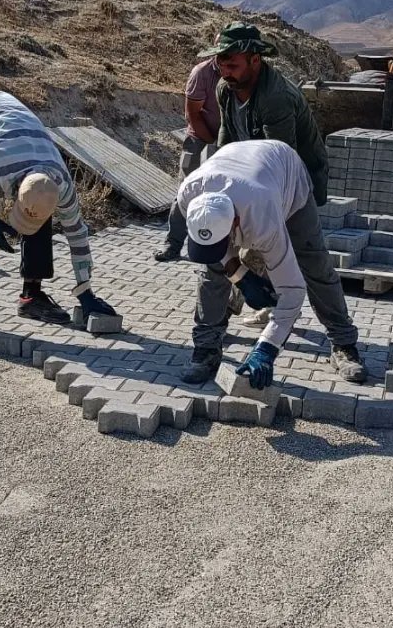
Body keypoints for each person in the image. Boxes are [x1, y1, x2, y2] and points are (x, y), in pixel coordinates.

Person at [176, 139, 368, 387]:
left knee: (313, 262)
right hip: (236, 163)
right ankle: (206, 347)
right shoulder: (188, 196)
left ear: (235, 223)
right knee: (212, 272)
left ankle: (344, 342)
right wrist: (240, 276)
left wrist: (266, 348)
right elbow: (216, 255)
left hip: (286, 173)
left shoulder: (263, 220)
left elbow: (292, 291)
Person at [0, 89, 118, 330]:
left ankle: (31, 297)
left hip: (13, 130)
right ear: (14, 189)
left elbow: (78, 235)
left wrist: (85, 290)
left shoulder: (60, 185)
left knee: (39, 209)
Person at [201, 21, 330, 207]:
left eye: (232, 66)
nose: (225, 73)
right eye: (221, 65)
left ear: (255, 60)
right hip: (255, 175)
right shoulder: (226, 88)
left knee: (285, 234)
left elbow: (281, 160)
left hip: (298, 184)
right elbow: (226, 136)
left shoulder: (276, 98)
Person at [155, 56, 219, 263]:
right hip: (199, 140)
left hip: (231, 143)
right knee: (186, 192)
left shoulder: (241, 71)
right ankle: (173, 245)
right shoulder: (203, 73)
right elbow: (192, 114)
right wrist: (213, 143)